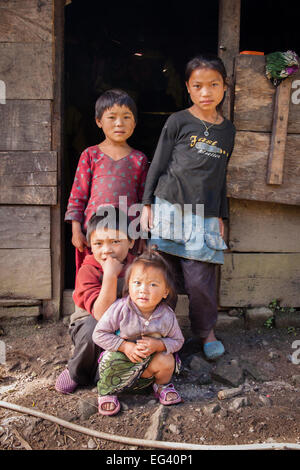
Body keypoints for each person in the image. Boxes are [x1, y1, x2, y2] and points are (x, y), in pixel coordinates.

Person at [140, 54, 236, 361]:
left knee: (199, 281)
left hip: (203, 216)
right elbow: (158, 163)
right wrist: (147, 203)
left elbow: (221, 177)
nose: (206, 92)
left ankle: (205, 331)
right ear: (188, 88)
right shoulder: (178, 121)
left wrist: (222, 215)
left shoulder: (227, 131)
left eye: (213, 85)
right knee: (161, 275)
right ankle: (158, 332)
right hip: (168, 206)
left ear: (225, 87)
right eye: (198, 86)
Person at [64, 88, 148, 276]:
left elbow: (144, 200)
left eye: (126, 117)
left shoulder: (139, 159)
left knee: (126, 277)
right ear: (98, 121)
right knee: (94, 275)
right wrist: (76, 230)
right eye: (112, 117)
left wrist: (142, 234)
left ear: (134, 122)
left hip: (127, 233)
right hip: (94, 233)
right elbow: (77, 195)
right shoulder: (90, 155)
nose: (120, 123)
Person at [92, 250, 184, 416]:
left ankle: (161, 386)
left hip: (148, 370)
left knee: (167, 359)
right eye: (137, 283)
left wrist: (159, 345)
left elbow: (178, 341)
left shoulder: (167, 315)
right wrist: (124, 346)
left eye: (153, 284)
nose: (144, 290)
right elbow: (99, 334)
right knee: (108, 359)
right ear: (129, 285)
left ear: (165, 292)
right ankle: (107, 392)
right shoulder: (120, 309)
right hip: (121, 365)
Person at [55, 208, 135, 394]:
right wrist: (110, 275)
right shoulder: (88, 270)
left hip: (126, 323)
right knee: (94, 330)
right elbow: (101, 314)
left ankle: (107, 377)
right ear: (90, 245)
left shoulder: (136, 267)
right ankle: (75, 372)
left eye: (115, 241)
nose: (106, 249)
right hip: (88, 322)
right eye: (98, 243)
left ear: (131, 242)